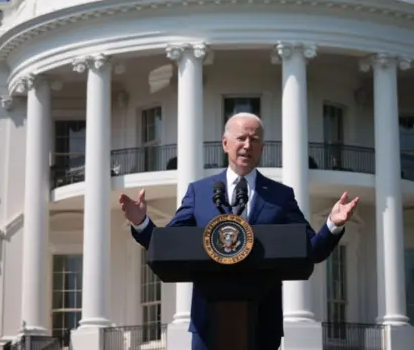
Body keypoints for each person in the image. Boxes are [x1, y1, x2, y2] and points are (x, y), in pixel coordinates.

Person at [119, 112, 360, 350]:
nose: (247, 145)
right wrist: (142, 222)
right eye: (241, 138)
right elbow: (170, 245)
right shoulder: (199, 192)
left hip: (263, 322)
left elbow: (311, 249)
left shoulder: (280, 195)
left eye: (254, 140)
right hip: (208, 323)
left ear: (262, 148)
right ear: (225, 144)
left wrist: (333, 223)